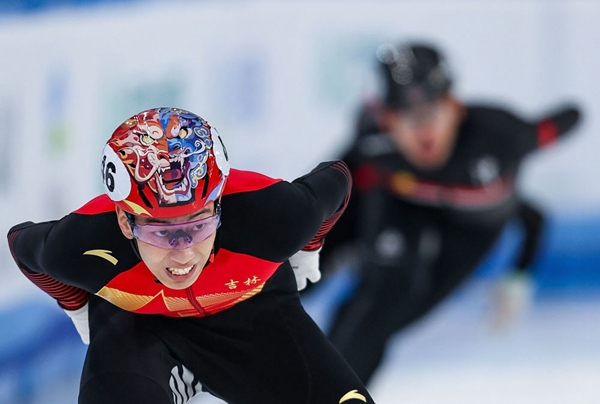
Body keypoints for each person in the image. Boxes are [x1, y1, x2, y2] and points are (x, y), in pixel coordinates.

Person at [7, 107, 375, 404]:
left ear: (219, 207)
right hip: (139, 330)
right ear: (123, 220)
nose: (182, 252)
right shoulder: (79, 244)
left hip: (256, 317)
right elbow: (21, 245)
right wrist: (76, 304)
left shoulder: (275, 217)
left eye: (199, 225)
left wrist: (309, 245)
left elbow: (339, 177)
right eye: (160, 231)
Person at [318, 41, 582, 385]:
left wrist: (518, 278)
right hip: (401, 203)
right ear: (387, 118)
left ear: (455, 108)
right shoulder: (373, 142)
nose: (424, 131)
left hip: (471, 230)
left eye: (432, 113)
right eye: (408, 117)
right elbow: (325, 189)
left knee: (396, 314)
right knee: (379, 293)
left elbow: (571, 119)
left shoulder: (500, 136)